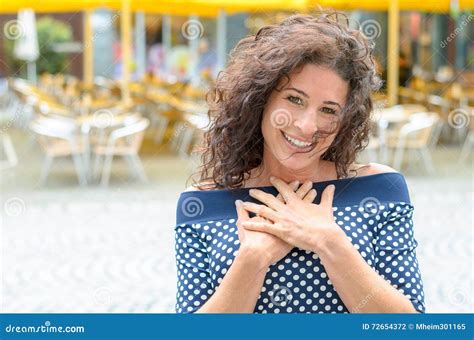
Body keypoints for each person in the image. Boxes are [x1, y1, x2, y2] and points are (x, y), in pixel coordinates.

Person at [174, 12, 425, 314]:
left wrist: (328, 241)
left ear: (346, 121)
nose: (308, 126)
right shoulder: (203, 204)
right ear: (261, 99)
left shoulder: (380, 189)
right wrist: (253, 258)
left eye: (329, 110)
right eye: (294, 99)